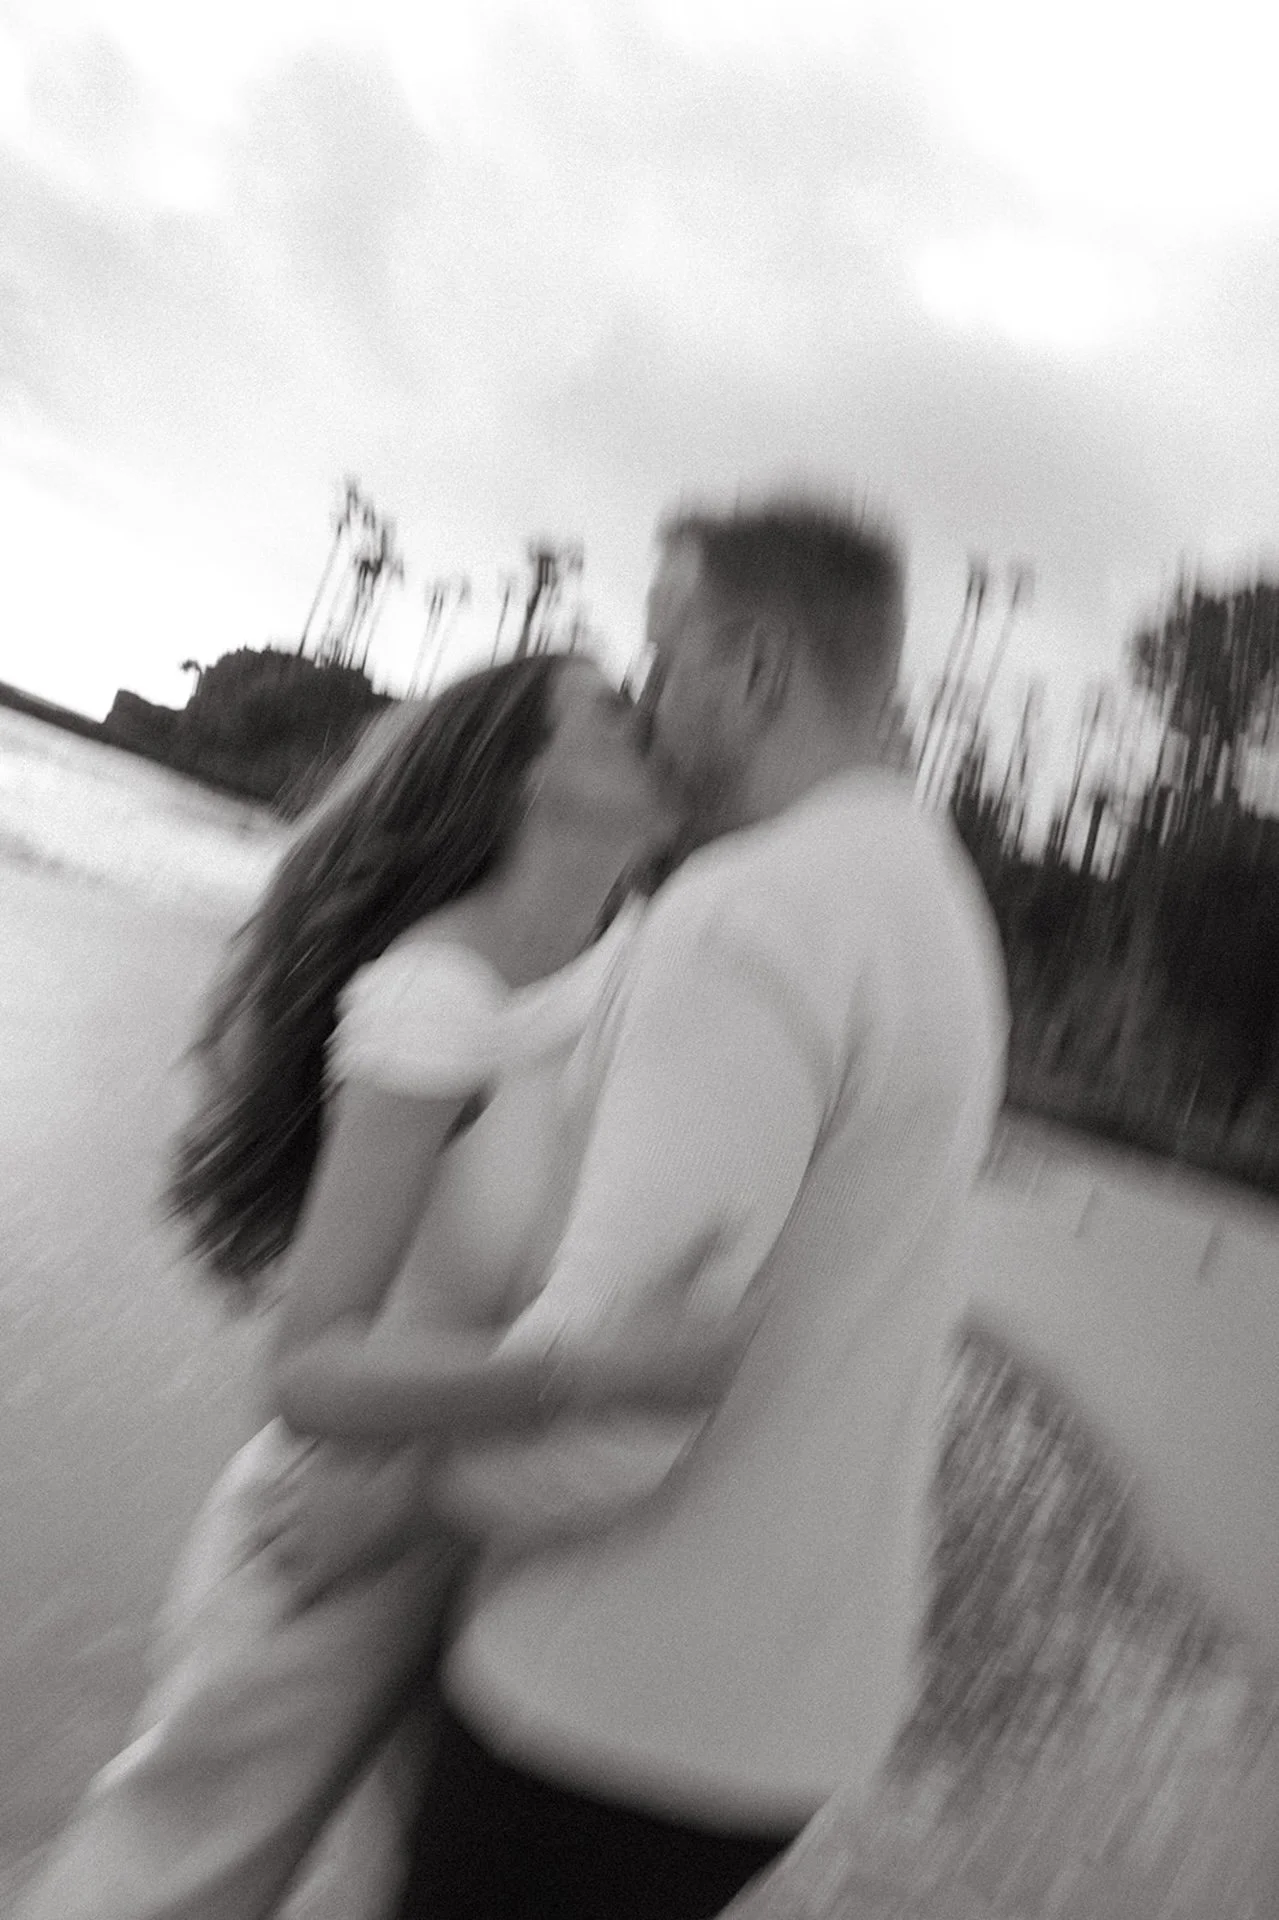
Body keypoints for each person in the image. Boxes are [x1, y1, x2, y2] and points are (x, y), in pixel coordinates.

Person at [270, 498, 1011, 1920]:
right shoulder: (925, 897)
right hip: (781, 1714)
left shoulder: (742, 916)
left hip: (608, 1700)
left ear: (755, 672)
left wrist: (402, 1501)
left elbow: (619, 1409)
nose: (647, 690)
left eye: (664, 654)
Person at [16, 651, 760, 1920]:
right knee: (167, 1884)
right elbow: (306, 1367)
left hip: (496, 1538)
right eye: (611, 709)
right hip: (336, 1531)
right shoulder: (433, 995)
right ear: (520, 774)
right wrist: (604, 1370)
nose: (654, 717)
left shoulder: (650, 968)